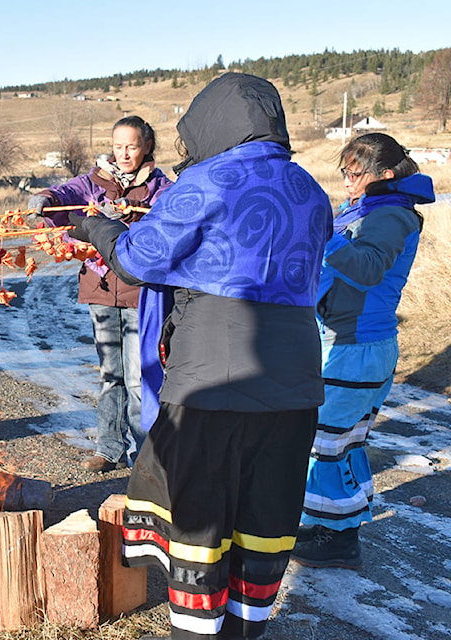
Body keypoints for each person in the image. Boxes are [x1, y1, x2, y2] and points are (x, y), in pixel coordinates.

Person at [70, 73, 333, 639]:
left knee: (200, 516)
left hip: (213, 376)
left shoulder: (210, 179)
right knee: (262, 511)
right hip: (295, 378)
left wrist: (96, 226)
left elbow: (140, 259)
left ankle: (196, 632)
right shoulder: (310, 187)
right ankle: (246, 630)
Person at [292, 134, 434, 570]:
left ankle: (336, 538)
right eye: (345, 173)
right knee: (339, 442)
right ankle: (330, 524)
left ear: (385, 176)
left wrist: (323, 237)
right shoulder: (369, 209)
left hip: (358, 344)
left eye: (356, 173)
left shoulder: (389, 214)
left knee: (327, 443)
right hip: (348, 339)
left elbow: (368, 267)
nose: (348, 183)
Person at [27, 116, 172, 471]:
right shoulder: (94, 181)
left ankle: (144, 455)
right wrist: (44, 198)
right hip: (101, 288)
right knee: (111, 374)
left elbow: (173, 217)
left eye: (132, 146)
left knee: (140, 377)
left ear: (146, 147)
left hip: (142, 293)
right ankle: (109, 447)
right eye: (119, 145)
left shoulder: (160, 187)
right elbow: (64, 195)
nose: (124, 153)